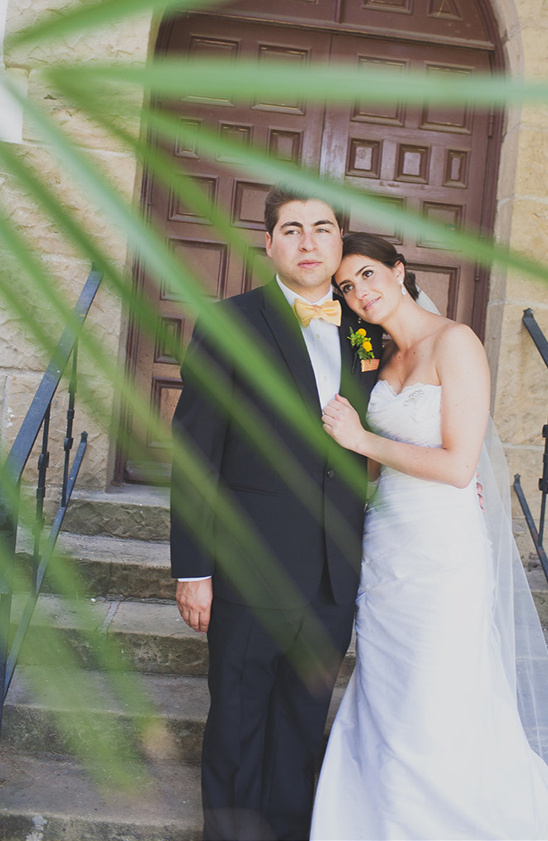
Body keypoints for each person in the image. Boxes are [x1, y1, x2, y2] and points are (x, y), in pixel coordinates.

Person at [311, 232, 548, 840]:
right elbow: (374, 468)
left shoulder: (457, 342)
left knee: (434, 696)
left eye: (366, 275)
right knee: (387, 693)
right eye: (346, 287)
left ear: (398, 269)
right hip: (387, 549)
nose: (359, 293)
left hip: (443, 555)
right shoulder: (379, 359)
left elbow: (458, 465)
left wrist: (361, 440)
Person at [170, 187, 383, 840]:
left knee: (300, 728)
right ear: (270, 244)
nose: (309, 241)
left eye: (323, 228)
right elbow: (196, 450)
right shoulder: (231, 321)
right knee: (238, 727)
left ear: (339, 243)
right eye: (292, 229)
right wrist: (193, 568)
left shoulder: (367, 329)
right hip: (248, 570)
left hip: (330, 577)